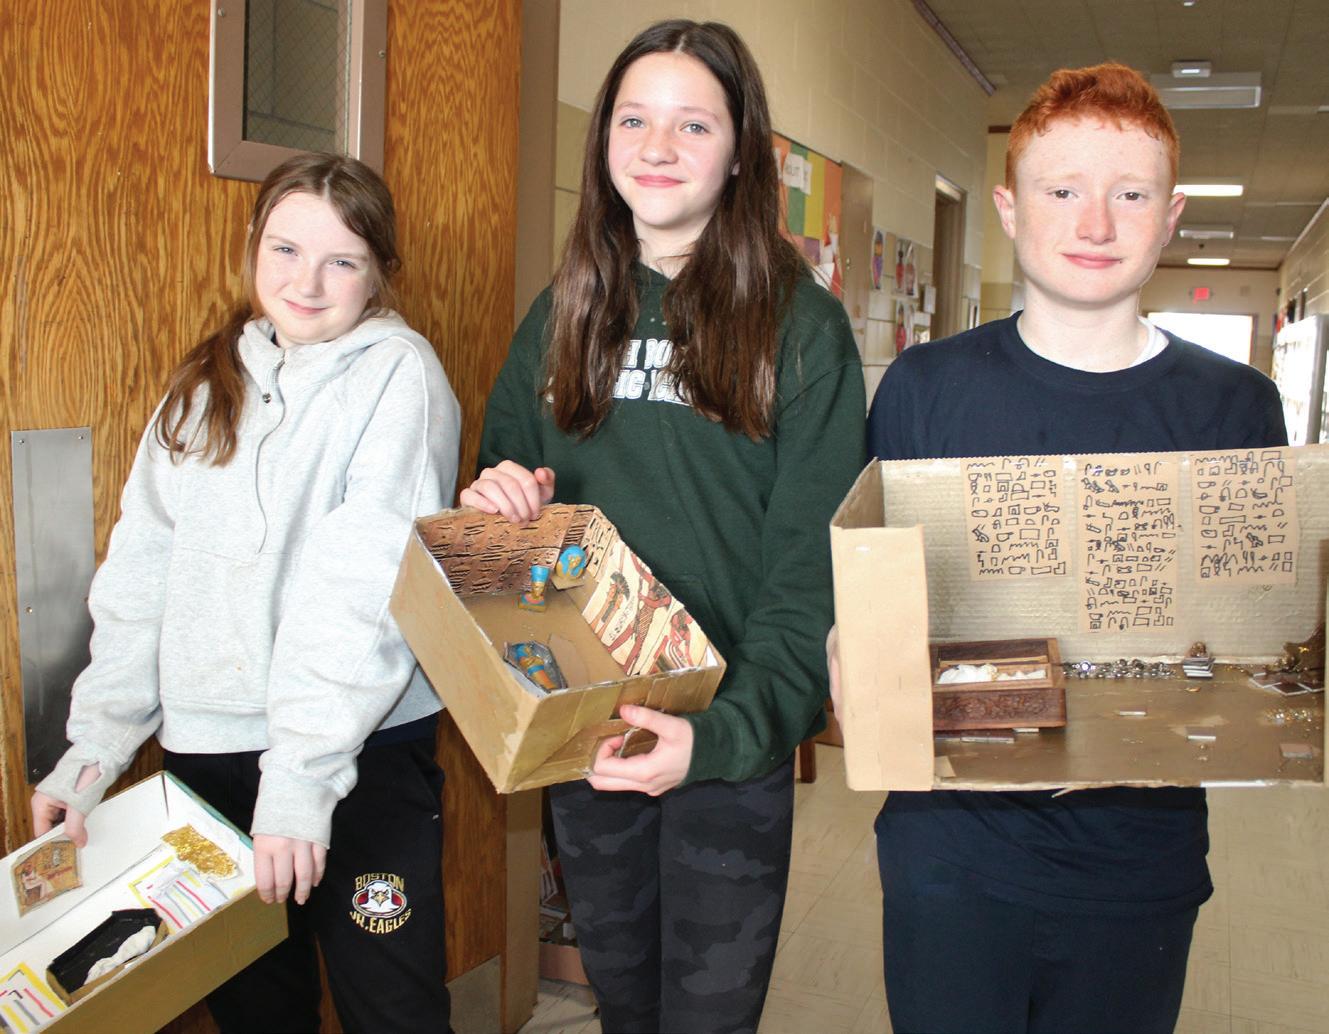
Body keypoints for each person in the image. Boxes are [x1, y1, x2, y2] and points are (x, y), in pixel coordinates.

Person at [850, 63, 1288, 1034]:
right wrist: (853, 653)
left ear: (1170, 216)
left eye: (1129, 194)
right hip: (950, 852)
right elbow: (874, 601)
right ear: (1009, 207)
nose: (1095, 223)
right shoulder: (924, 389)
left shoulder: (1233, 408)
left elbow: (1249, 643)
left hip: (1137, 862)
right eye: (1062, 191)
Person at [461, 19, 865, 1033]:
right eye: (634, 120)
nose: (657, 147)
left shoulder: (801, 329)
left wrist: (725, 735)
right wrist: (498, 506)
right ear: (602, 139)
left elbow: (809, 574)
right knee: (624, 1007)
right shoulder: (561, 313)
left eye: (694, 124)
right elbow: (506, 515)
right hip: (589, 732)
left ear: (739, 151)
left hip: (727, 743)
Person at [31, 153, 460, 1034]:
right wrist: (92, 753)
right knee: (258, 1010)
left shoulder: (397, 376)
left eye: (342, 261)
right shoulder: (201, 384)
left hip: (358, 753)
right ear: (253, 246)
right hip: (211, 758)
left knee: (392, 1007)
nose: (307, 282)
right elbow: (141, 577)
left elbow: (362, 589)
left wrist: (298, 784)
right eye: (285, 250)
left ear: (379, 272)